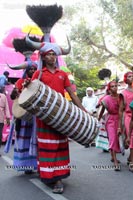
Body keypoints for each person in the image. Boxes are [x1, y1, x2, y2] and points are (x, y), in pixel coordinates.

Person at [27, 38, 87, 194]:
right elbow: (31, 92)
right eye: (49, 54)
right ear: (43, 57)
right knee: (47, 147)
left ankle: (58, 176)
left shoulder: (62, 74)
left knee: (60, 146)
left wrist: (83, 110)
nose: (52, 57)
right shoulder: (39, 74)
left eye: (54, 54)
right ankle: (50, 176)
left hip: (61, 117)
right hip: (44, 117)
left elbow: (72, 94)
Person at [9, 64, 37, 173]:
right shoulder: (20, 81)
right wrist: (15, 92)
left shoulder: (38, 81)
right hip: (23, 117)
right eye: (30, 69)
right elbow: (12, 97)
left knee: (35, 139)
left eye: (35, 69)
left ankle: (36, 164)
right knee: (24, 140)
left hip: (35, 115)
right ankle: (26, 165)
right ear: (26, 71)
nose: (33, 70)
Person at [98, 81, 121, 171]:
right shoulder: (106, 99)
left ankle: (112, 156)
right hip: (110, 120)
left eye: (116, 86)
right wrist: (98, 119)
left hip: (119, 119)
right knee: (112, 138)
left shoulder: (121, 97)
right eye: (112, 86)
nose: (115, 87)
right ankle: (115, 161)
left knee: (118, 139)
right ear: (109, 88)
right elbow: (102, 110)